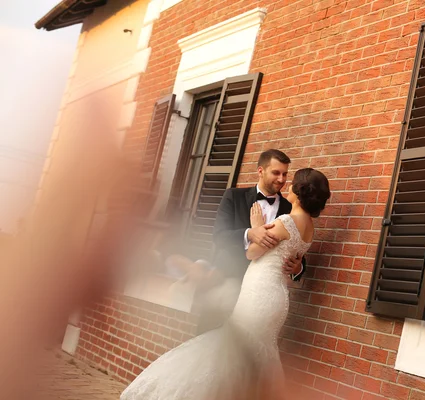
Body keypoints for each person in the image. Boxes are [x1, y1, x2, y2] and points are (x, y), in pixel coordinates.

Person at [120, 168, 331, 400]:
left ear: (298, 190)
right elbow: (292, 255)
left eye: (291, 181)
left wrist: (256, 227)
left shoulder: (285, 221)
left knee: (234, 348)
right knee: (255, 350)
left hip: (260, 292)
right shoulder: (309, 227)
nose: (286, 184)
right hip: (277, 297)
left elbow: (252, 253)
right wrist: (296, 266)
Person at [213, 149, 305, 281]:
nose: (281, 179)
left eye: (285, 174)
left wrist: (298, 268)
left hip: (264, 283)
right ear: (260, 171)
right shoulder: (233, 196)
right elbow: (219, 236)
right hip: (227, 278)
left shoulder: (290, 208)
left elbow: (296, 248)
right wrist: (250, 233)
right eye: (276, 173)